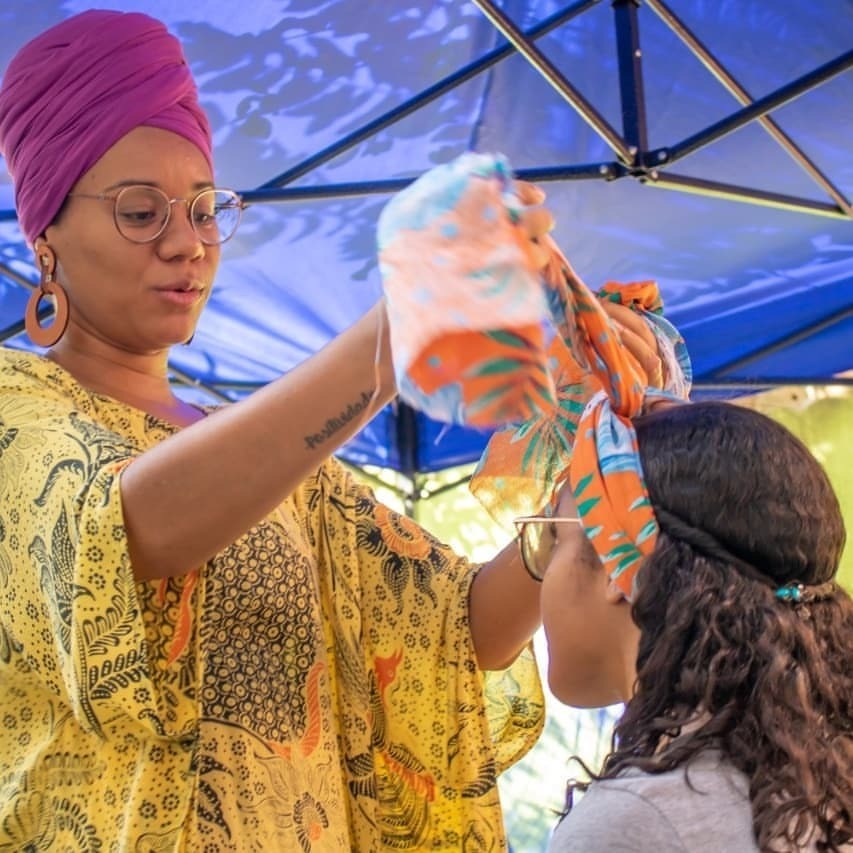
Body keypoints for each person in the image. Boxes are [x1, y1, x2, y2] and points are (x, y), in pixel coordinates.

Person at [0, 9, 666, 851]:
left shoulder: (279, 469)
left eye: (204, 209)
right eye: (141, 212)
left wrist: (582, 483)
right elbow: (127, 529)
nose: (188, 244)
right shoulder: (16, 414)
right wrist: (397, 331)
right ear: (46, 235)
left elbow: (453, 636)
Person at [526, 401, 853, 851]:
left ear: (617, 568)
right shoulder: (823, 774)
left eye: (551, 540)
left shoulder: (636, 823)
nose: (542, 571)